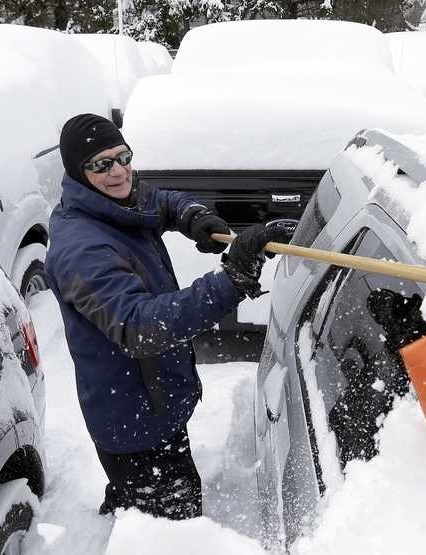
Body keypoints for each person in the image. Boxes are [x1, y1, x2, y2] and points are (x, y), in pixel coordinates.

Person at [44, 113, 290, 520]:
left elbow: (156, 200)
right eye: (102, 164)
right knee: (165, 532)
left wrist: (192, 216)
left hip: (153, 400)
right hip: (133, 423)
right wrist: (231, 281)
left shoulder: (111, 200)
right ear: (77, 170)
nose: (120, 171)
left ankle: (123, 515)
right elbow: (140, 327)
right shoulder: (79, 250)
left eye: (123, 157)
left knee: (141, 507)